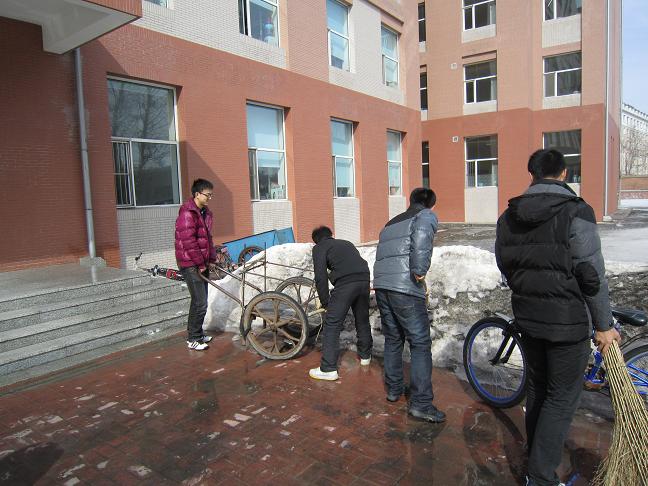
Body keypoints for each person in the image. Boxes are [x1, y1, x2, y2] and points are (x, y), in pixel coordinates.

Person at [495, 149, 621, 486]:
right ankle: (540, 476)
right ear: (564, 173)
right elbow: (591, 274)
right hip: (567, 324)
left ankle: (536, 456)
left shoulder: (508, 216)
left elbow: (505, 264)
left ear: (532, 174)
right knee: (561, 398)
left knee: (538, 388)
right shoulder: (577, 211)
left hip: (528, 318)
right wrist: (604, 325)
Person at [373, 188, 445, 423]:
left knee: (393, 338)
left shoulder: (391, 223)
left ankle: (394, 389)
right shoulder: (425, 215)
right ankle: (421, 404)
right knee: (420, 343)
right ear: (430, 204)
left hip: (383, 285)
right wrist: (419, 271)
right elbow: (422, 241)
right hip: (405, 287)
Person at [308, 226, 373, 381]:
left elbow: (320, 276)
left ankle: (328, 369)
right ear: (331, 235)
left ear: (316, 240)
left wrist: (326, 302)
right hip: (364, 279)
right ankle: (365, 356)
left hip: (346, 283)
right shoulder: (346, 243)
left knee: (332, 323)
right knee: (362, 319)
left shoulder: (319, 247)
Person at [175, 178, 219, 351]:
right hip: (190, 263)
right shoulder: (187, 214)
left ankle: (198, 334)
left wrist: (212, 259)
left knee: (201, 301)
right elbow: (189, 243)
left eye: (211, 195)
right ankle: (193, 338)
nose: (209, 198)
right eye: (207, 195)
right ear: (197, 194)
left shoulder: (204, 213)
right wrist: (200, 263)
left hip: (201, 262)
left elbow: (207, 238)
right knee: (200, 302)